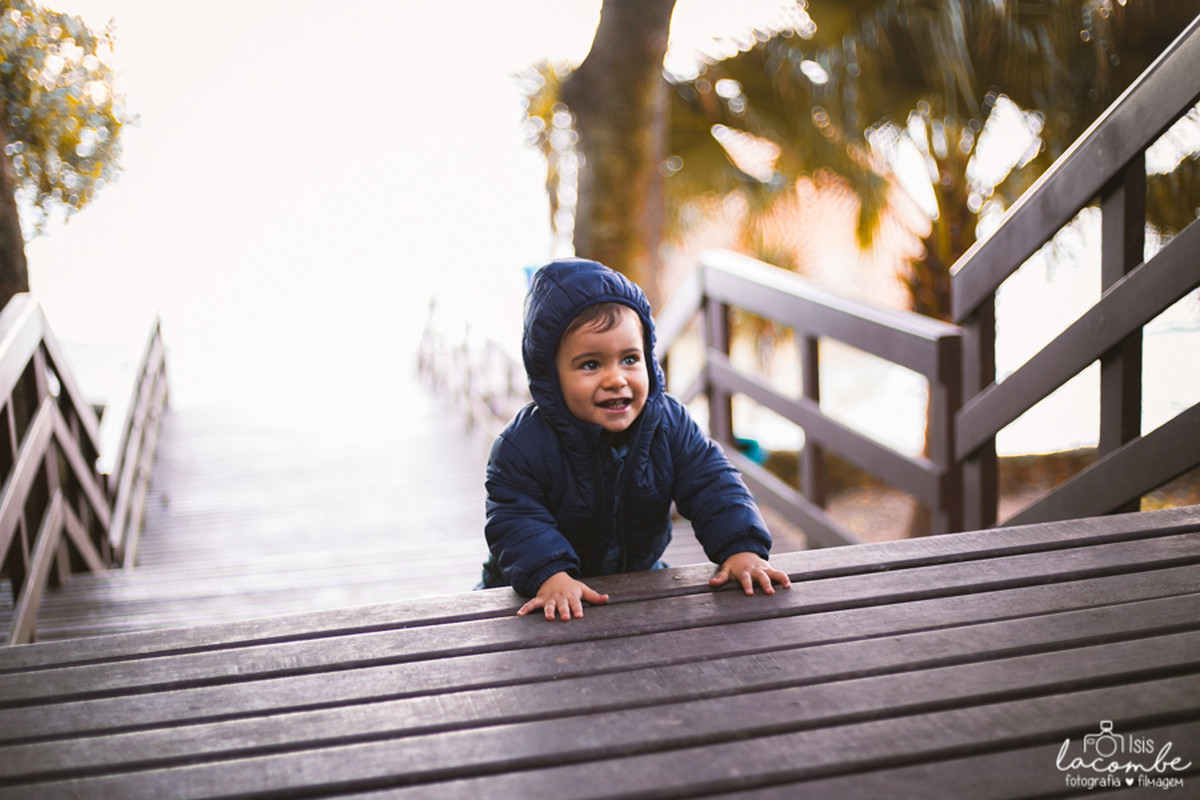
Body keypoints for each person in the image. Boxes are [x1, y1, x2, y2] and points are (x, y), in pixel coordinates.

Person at [478, 258, 790, 620]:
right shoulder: (523, 446)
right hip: (537, 592)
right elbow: (515, 519)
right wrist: (550, 575)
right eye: (591, 365)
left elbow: (713, 482)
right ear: (550, 376)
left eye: (629, 359)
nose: (616, 379)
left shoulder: (668, 424)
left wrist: (741, 549)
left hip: (637, 581)